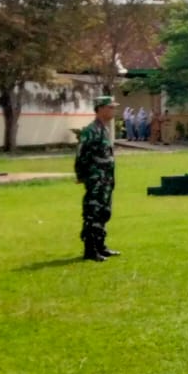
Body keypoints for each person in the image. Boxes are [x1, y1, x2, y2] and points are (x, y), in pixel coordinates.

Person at [74, 95, 118, 262]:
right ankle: (90, 250)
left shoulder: (104, 129)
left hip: (105, 180)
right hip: (96, 179)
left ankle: (101, 246)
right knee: (93, 212)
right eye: (110, 107)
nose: (113, 110)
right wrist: (82, 175)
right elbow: (81, 155)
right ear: (100, 109)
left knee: (104, 212)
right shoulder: (91, 130)